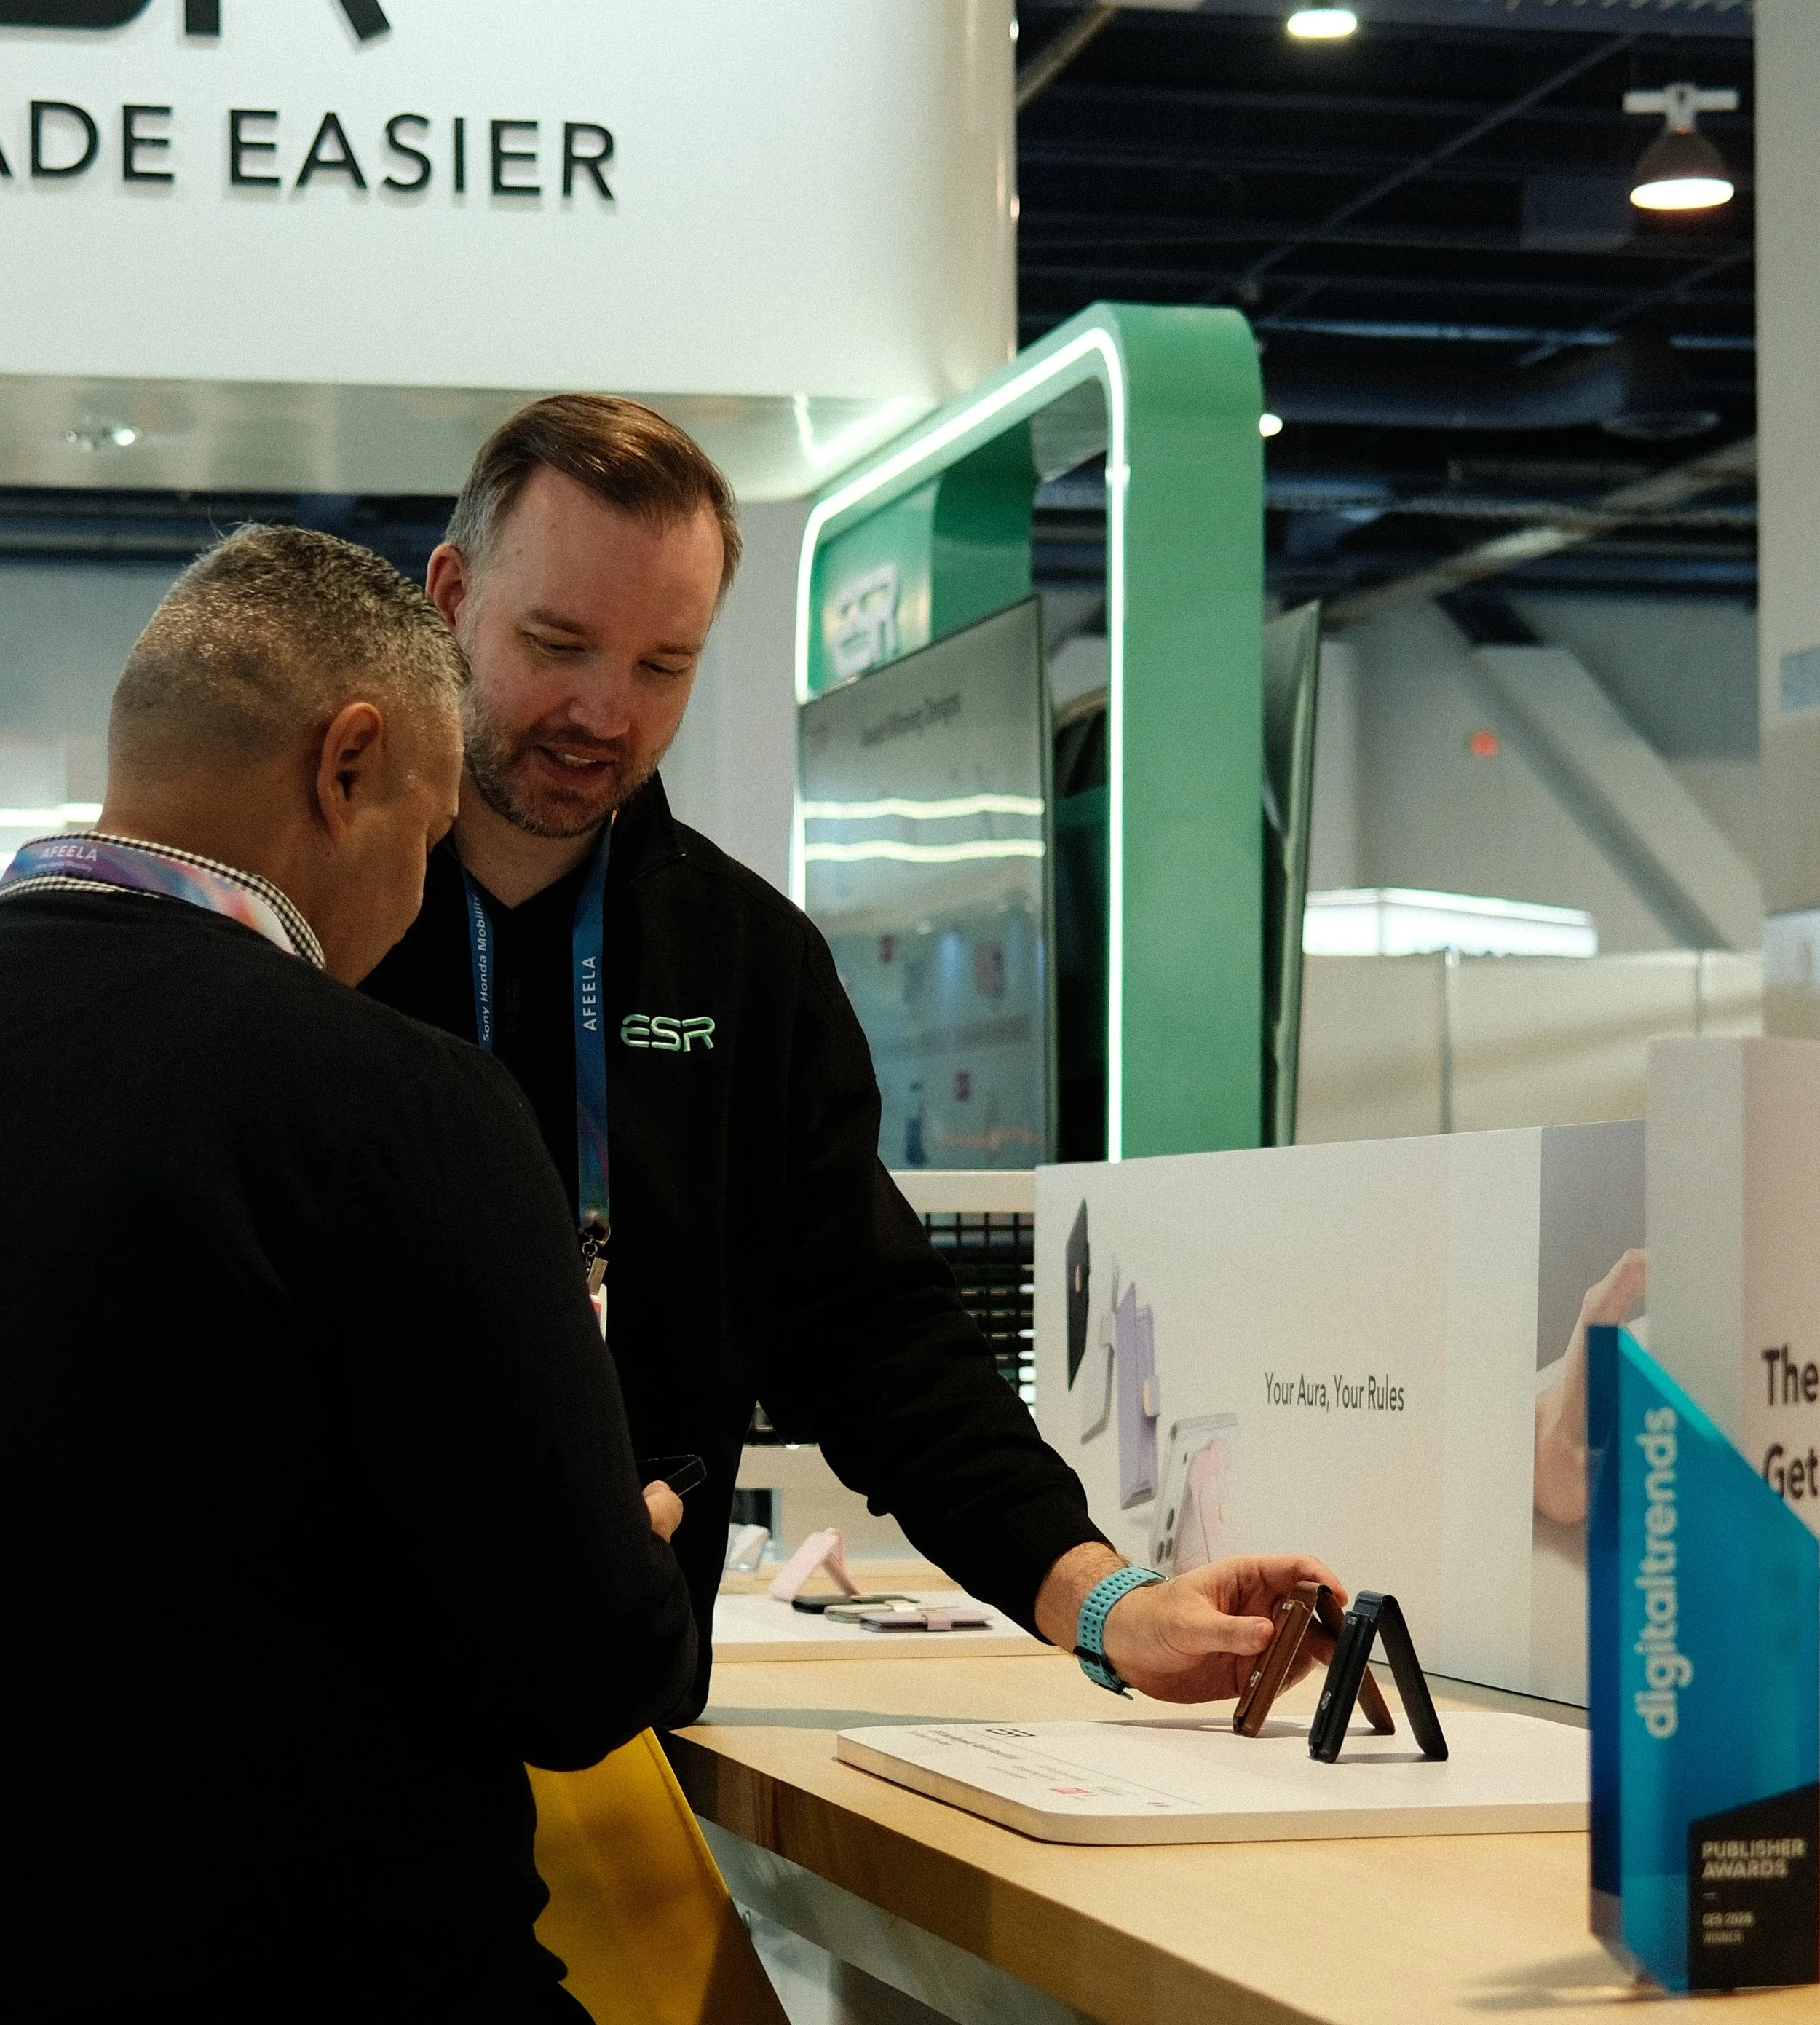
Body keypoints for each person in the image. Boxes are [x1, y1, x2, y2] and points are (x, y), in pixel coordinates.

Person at [0, 526, 696, 2025]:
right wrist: (635, 1517)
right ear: (353, 758)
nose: (420, 886)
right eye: (429, 814)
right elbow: (585, 1666)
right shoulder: (378, 1103)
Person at [366, 395, 1339, 1711]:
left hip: (614, 1718)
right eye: (559, 643)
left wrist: (1103, 1599)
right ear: (451, 596)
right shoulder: (312, 922)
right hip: (325, 1728)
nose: (605, 709)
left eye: (664, 666)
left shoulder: (744, 961)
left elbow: (879, 1343)